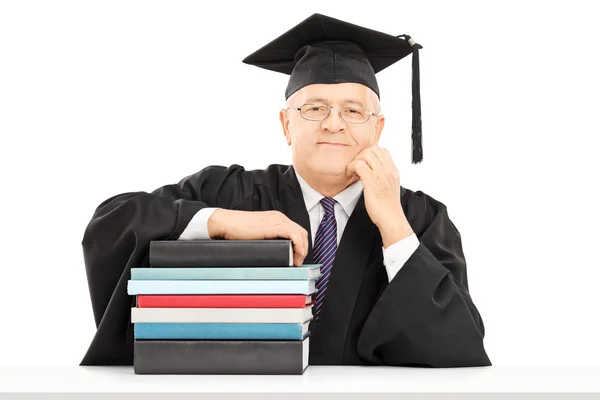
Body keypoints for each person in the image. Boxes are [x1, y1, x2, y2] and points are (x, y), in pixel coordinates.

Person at [80, 13, 491, 367]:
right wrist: (222, 223)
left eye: (353, 110)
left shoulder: (419, 217)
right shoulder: (232, 193)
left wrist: (394, 229)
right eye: (314, 108)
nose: (334, 124)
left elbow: (461, 348)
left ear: (378, 128)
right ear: (285, 125)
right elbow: (111, 224)